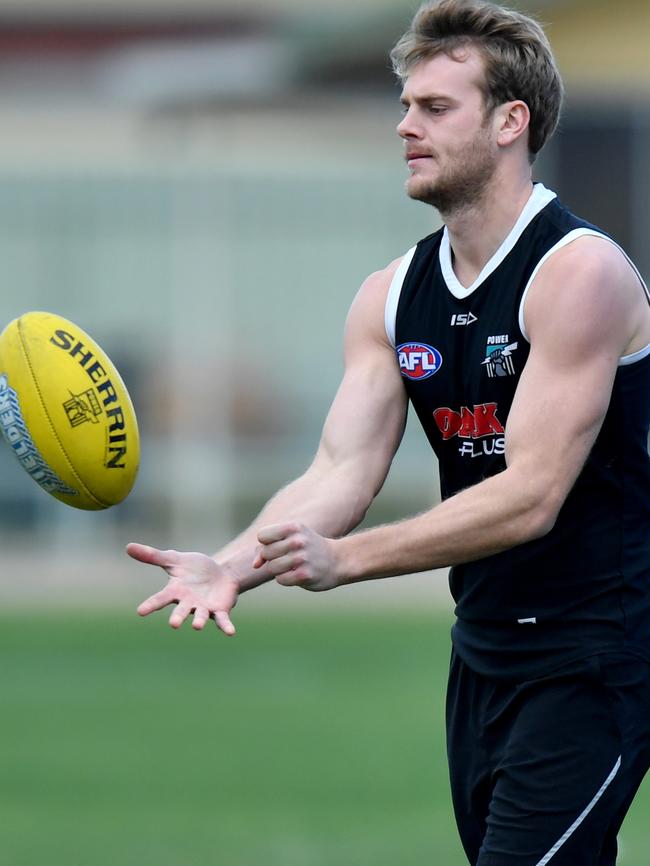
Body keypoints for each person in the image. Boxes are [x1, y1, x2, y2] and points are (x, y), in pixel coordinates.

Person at [127, 1, 650, 863]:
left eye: (436, 108)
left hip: (597, 658)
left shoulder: (577, 274)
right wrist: (234, 562)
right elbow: (340, 468)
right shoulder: (390, 294)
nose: (406, 125)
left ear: (509, 121)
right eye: (405, 106)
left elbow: (529, 497)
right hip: (482, 656)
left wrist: (352, 560)